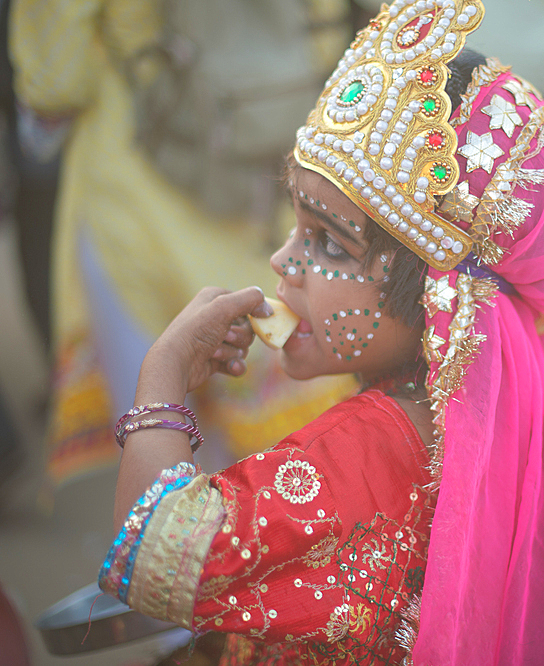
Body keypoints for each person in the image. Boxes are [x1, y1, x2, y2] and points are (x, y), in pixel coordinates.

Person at [98, 1, 544, 663]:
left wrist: (164, 374)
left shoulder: (375, 443)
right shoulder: (474, 417)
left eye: (329, 243)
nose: (283, 262)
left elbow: (155, 555)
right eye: (295, 226)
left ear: (437, 294)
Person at [9, 0, 358, 486]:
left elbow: (55, 80)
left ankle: (199, 553)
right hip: (272, 157)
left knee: (163, 445)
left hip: (135, 191)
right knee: (278, 460)